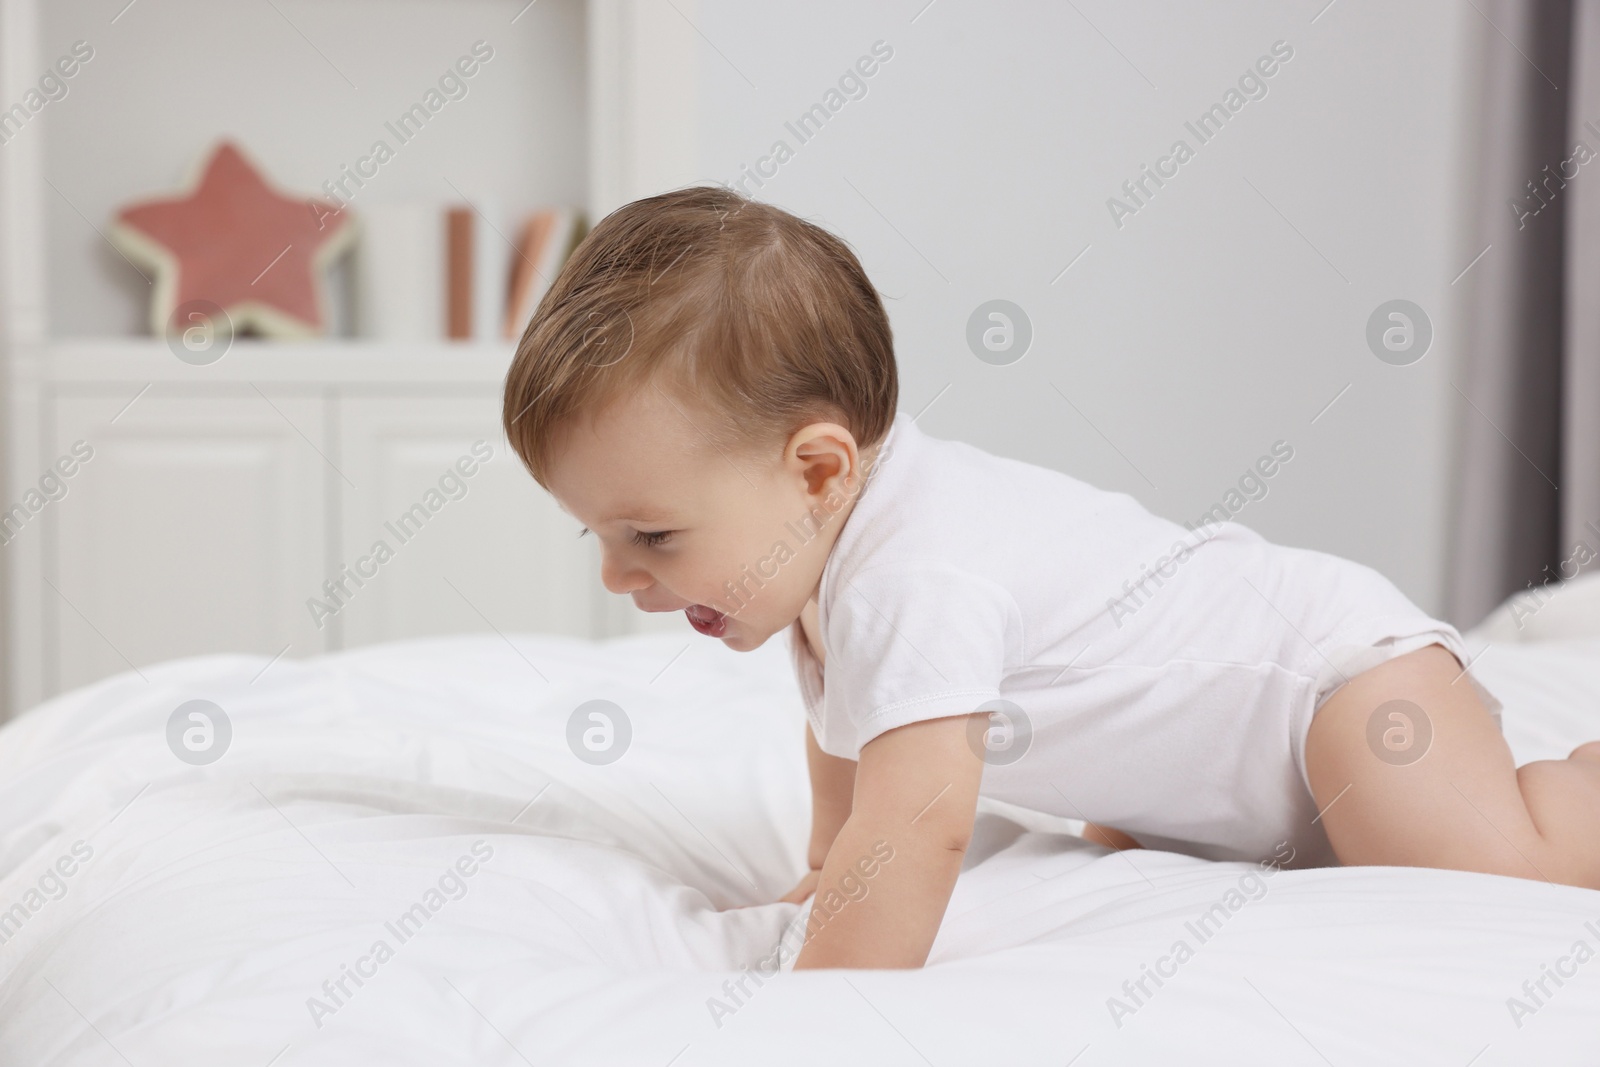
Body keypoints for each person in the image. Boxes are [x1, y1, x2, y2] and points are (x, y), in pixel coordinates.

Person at [501, 185, 1600, 970]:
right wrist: (826, 861)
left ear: (819, 468)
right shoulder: (824, 558)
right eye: (596, 535)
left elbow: (919, 822)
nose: (617, 574)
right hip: (1239, 788)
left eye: (650, 535)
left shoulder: (910, 576)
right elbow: (850, 734)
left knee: (1495, 866)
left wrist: (829, 988)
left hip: (1337, 692)